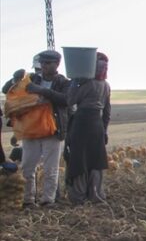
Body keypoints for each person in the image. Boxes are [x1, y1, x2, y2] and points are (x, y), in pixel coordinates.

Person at [15, 50, 70, 206]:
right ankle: (28, 201)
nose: (44, 66)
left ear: (57, 64)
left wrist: (42, 91)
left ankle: (48, 200)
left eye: (48, 63)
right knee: (27, 167)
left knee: (50, 169)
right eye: (43, 63)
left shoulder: (64, 82)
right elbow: (8, 89)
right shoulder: (31, 79)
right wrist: (16, 78)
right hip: (31, 130)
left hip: (52, 131)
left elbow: (66, 100)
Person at [64, 52, 111, 203]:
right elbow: (107, 111)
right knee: (95, 160)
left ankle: (79, 195)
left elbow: (70, 101)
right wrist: (104, 130)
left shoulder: (87, 84)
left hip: (82, 123)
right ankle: (95, 193)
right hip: (97, 124)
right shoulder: (106, 85)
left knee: (80, 159)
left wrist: (74, 83)